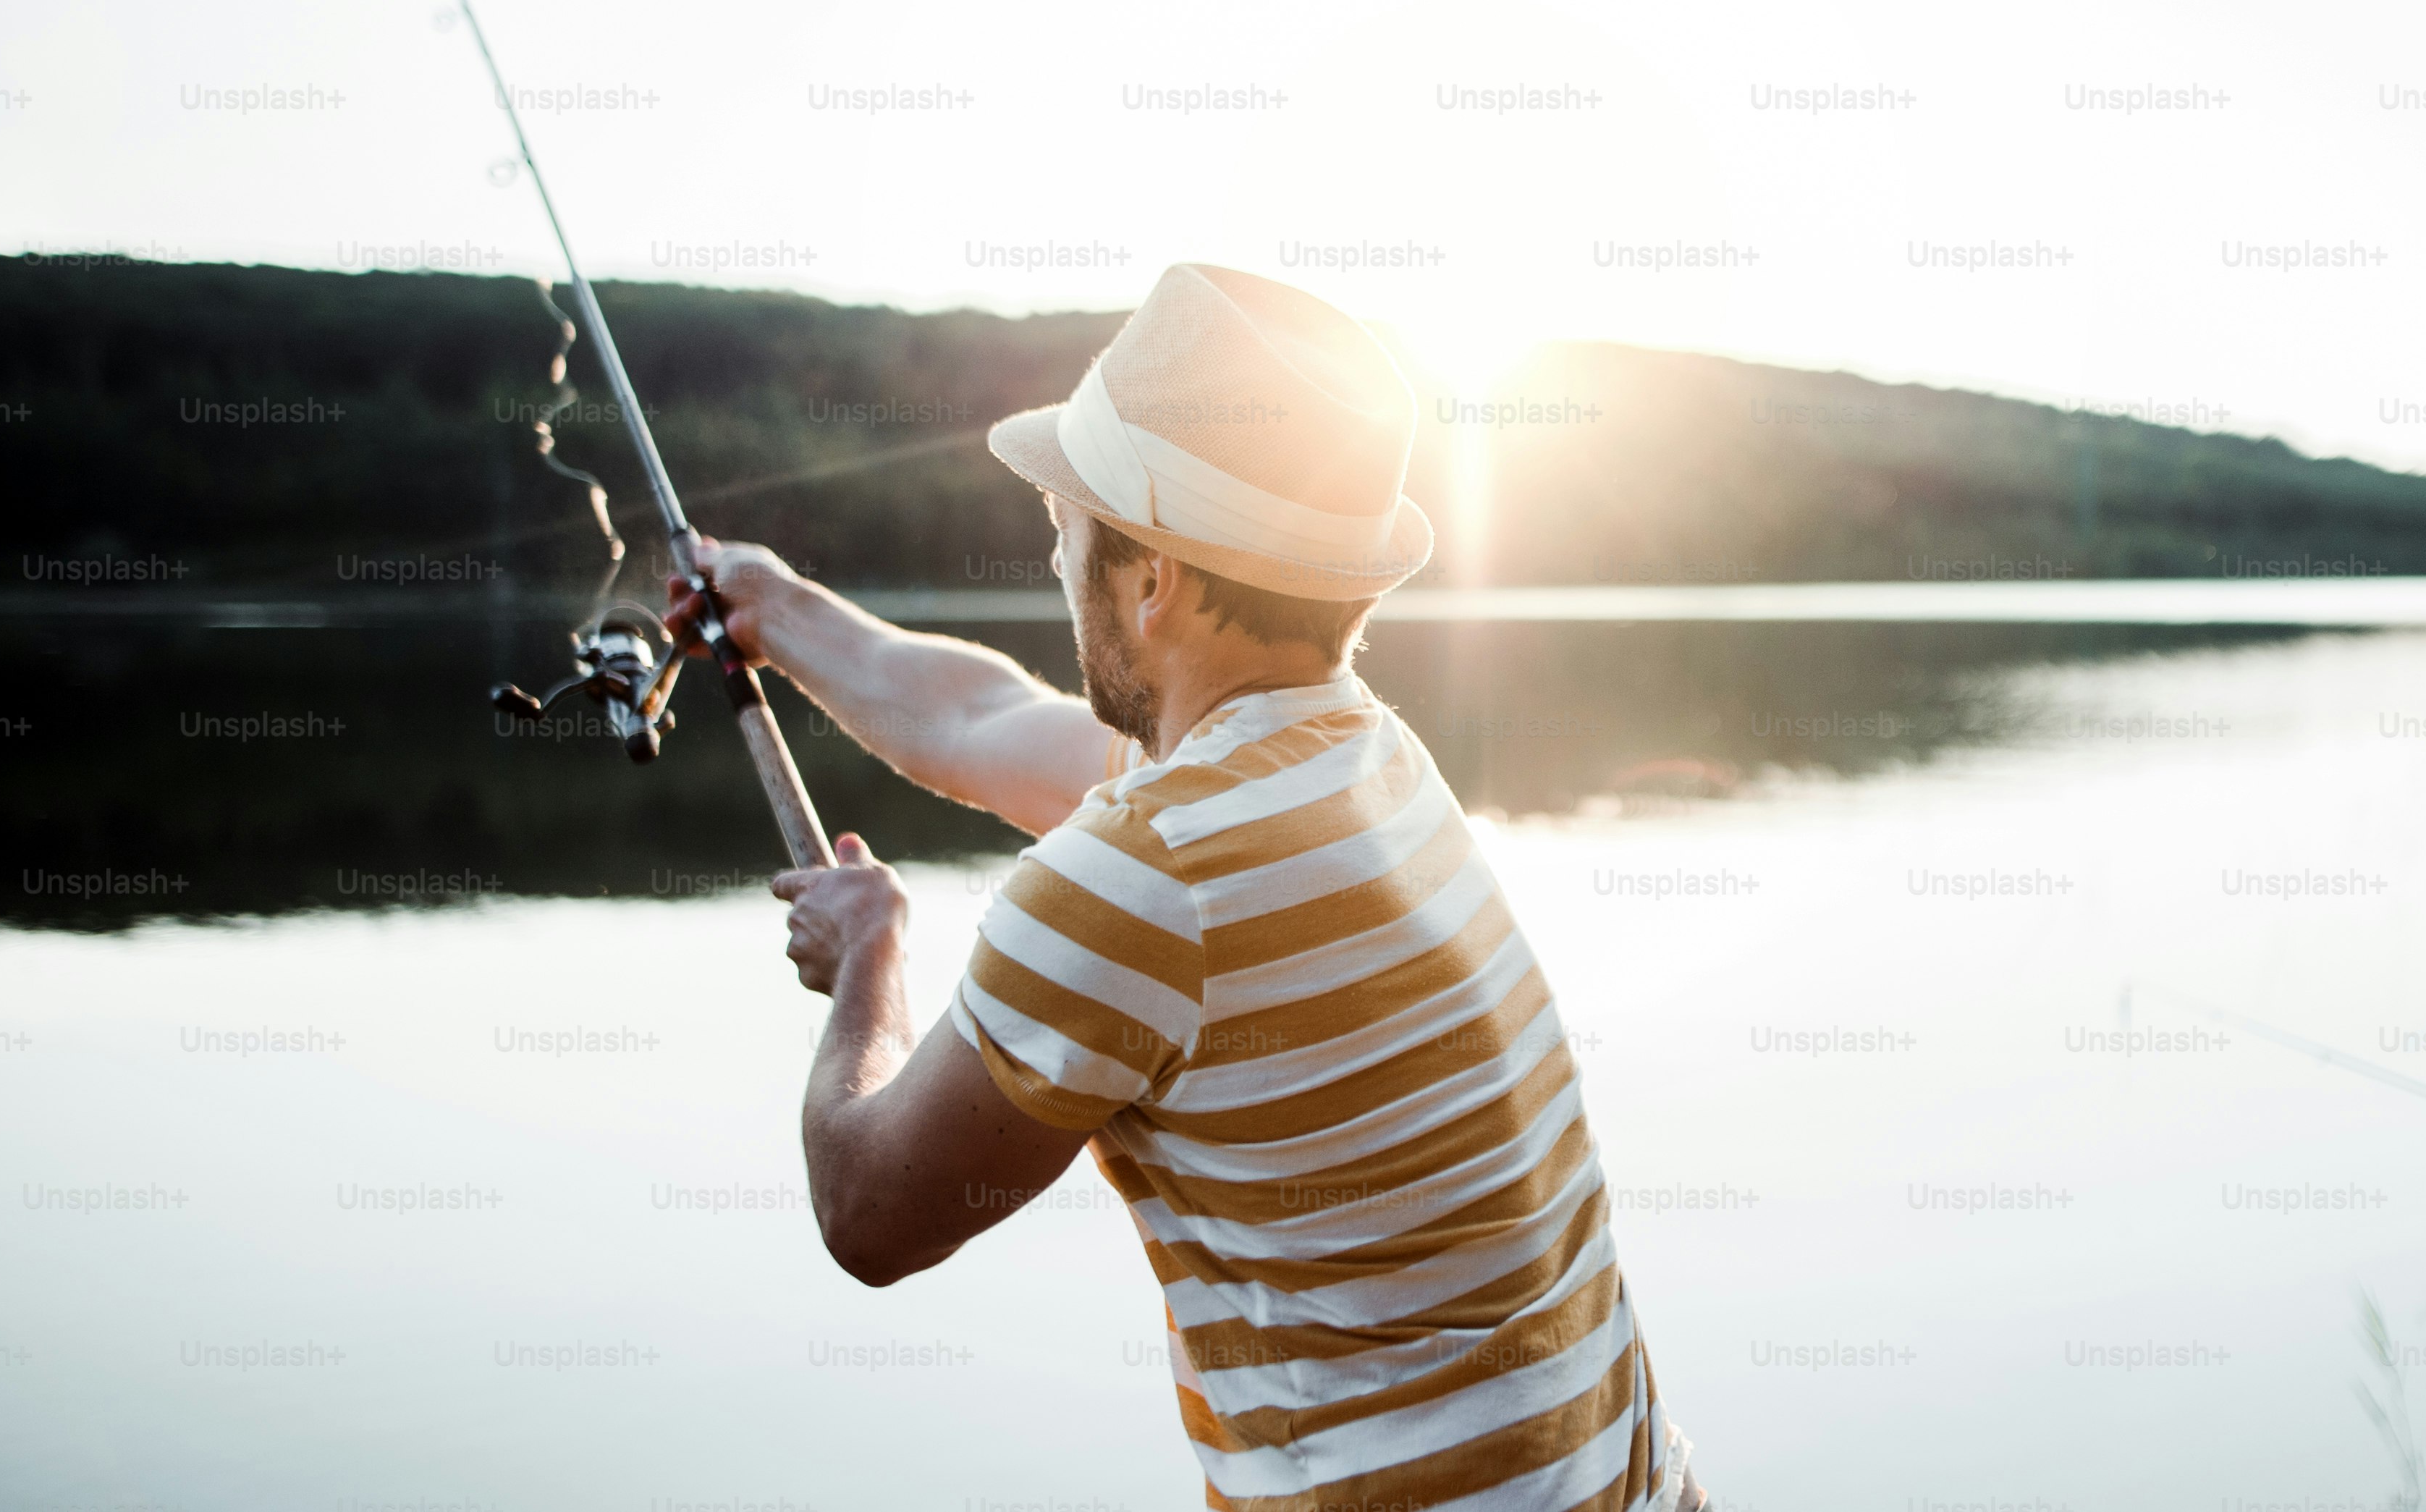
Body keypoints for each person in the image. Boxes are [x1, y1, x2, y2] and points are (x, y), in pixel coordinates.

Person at [668, 262, 1704, 1512]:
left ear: (1150, 575)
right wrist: (775, 609)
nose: (1057, 550)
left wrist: (869, 966)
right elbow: (984, 716)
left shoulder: (1136, 877)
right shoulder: (1362, 758)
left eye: (1072, 518)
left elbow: (866, 1209)